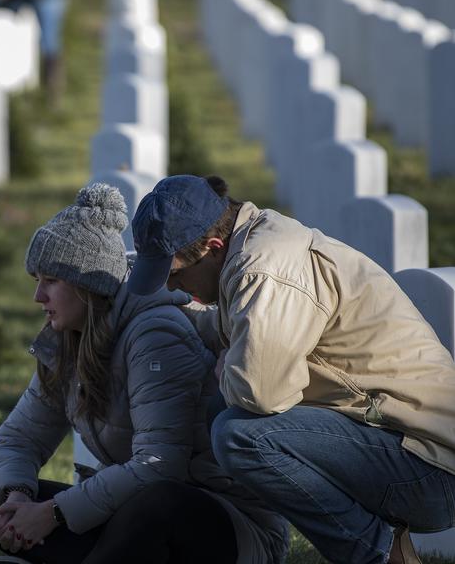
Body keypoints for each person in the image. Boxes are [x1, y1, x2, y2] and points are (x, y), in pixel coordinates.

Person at [127, 174, 455, 564]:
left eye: (175, 274)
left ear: (213, 247)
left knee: (239, 435)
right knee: (223, 411)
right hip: (396, 441)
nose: (171, 284)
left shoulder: (263, 271)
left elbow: (260, 392)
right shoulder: (247, 249)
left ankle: (379, 554)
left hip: (427, 464)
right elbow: (227, 332)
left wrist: (230, 367)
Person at [0, 183, 288, 563]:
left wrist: (52, 513)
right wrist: (16, 499)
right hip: (135, 516)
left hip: (225, 527)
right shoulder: (67, 341)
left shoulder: (155, 334)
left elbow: (161, 464)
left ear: (89, 286)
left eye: (51, 281)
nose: (38, 297)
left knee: (155, 505)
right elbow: (18, 439)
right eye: (36, 280)